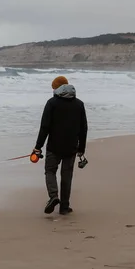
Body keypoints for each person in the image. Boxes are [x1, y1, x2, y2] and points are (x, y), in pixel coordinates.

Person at [33, 75, 88, 215]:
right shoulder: (79, 104)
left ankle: (53, 196)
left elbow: (44, 127)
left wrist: (38, 147)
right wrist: (81, 148)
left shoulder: (52, 103)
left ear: (57, 88)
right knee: (67, 176)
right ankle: (64, 207)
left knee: (50, 171)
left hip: (54, 146)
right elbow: (83, 128)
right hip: (71, 147)